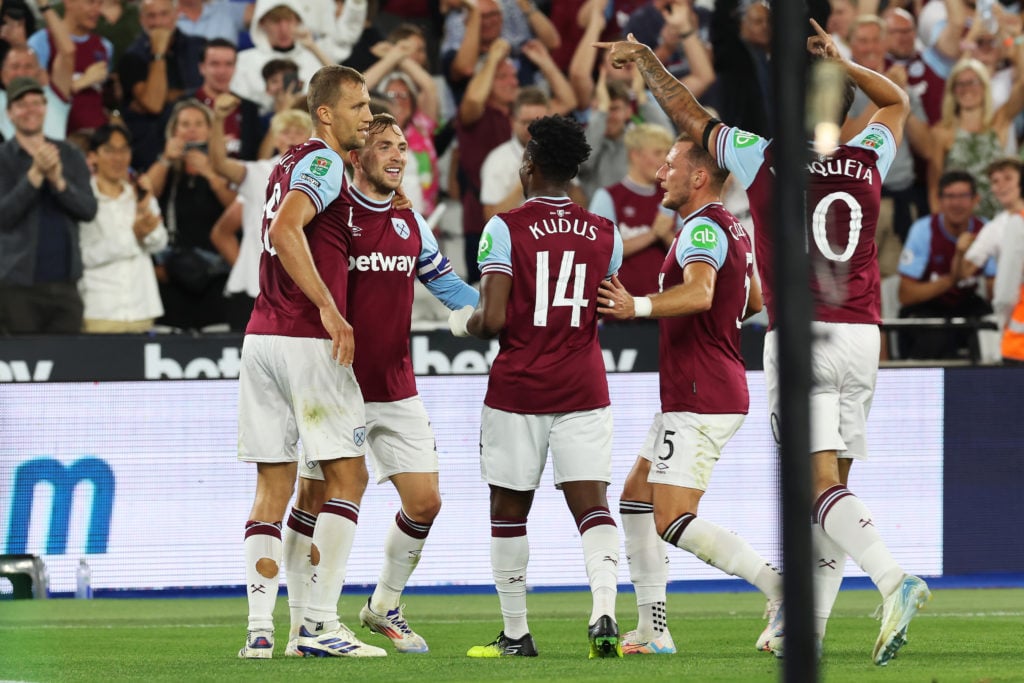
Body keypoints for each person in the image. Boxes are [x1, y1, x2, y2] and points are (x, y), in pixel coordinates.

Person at [597, 20, 931, 665]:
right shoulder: (866, 158)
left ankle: (893, 579)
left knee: (816, 486)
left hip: (804, 337)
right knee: (832, 490)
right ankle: (804, 626)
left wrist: (645, 62)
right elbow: (897, 102)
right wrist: (843, 60)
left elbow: (691, 115)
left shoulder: (764, 154)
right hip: (865, 335)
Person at [282, 113, 480, 657]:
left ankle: (382, 605)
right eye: (384, 145)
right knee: (313, 496)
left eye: (401, 147)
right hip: (336, 382)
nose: (397, 155)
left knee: (426, 502)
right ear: (356, 155)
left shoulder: (410, 224)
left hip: (396, 385)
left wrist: (495, 312)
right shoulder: (332, 215)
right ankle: (306, 621)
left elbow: (449, 288)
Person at [597, 131, 778, 655]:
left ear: (699, 176)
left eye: (671, 164)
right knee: (635, 496)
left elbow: (700, 293)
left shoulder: (701, 229)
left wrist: (640, 306)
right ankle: (654, 629)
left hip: (703, 393)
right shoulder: (732, 228)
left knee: (672, 518)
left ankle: (780, 589)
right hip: (700, 389)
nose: (661, 173)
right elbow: (752, 302)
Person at [457, 115, 625, 659]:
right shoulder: (605, 232)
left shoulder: (504, 227)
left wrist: (466, 319)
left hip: (520, 389)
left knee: (508, 510)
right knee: (593, 505)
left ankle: (515, 634)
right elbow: (607, 302)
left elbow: (495, 317)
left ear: (528, 166)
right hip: (583, 384)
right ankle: (603, 609)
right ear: (574, 170)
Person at [236, 64, 379, 660]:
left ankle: (262, 632)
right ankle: (320, 626)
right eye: (359, 106)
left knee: (276, 486)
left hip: (261, 337)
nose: (368, 117)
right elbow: (287, 228)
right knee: (350, 476)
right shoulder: (322, 162)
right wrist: (330, 308)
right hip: (303, 338)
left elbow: (279, 223)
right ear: (326, 113)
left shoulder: (287, 161)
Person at [0, 76, 97, 334]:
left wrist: (57, 180)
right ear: (9, 113)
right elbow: (3, 216)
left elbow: (88, 210)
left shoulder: (70, 154)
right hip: (15, 286)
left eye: (36, 103)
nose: (30, 110)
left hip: (66, 283)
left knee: (70, 368)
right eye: (22, 104)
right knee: (20, 368)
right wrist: (33, 178)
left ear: (45, 108)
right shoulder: (2, 159)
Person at [208, 96, 313, 331]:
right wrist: (217, 120)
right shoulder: (258, 173)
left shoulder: (327, 177)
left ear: (310, 138)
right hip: (253, 290)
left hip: (303, 291)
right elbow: (219, 165)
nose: (291, 137)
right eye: (285, 132)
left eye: (298, 131)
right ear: (275, 138)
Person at [79, 123, 167, 332]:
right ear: (93, 157)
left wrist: (145, 212)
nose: (118, 158)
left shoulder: (139, 193)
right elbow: (83, 256)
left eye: (124, 150)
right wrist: (133, 236)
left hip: (141, 310)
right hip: (99, 312)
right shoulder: (83, 200)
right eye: (109, 150)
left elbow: (159, 243)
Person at [897, 170, 993, 360]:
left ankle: (990, 385)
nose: (956, 203)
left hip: (968, 302)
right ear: (939, 201)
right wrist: (955, 277)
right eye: (950, 196)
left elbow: (994, 293)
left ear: (976, 200)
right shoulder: (923, 230)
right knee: (937, 338)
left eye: (963, 196)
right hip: (928, 305)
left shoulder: (987, 231)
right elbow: (906, 295)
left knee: (990, 328)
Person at [589, 122, 678, 299]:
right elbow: (599, 253)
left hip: (666, 308)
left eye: (666, 153)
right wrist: (652, 234)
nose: (664, 160)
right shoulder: (608, 197)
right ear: (635, 155)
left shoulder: (673, 196)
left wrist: (666, 235)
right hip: (621, 311)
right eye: (657, 152)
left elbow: (687, 254)